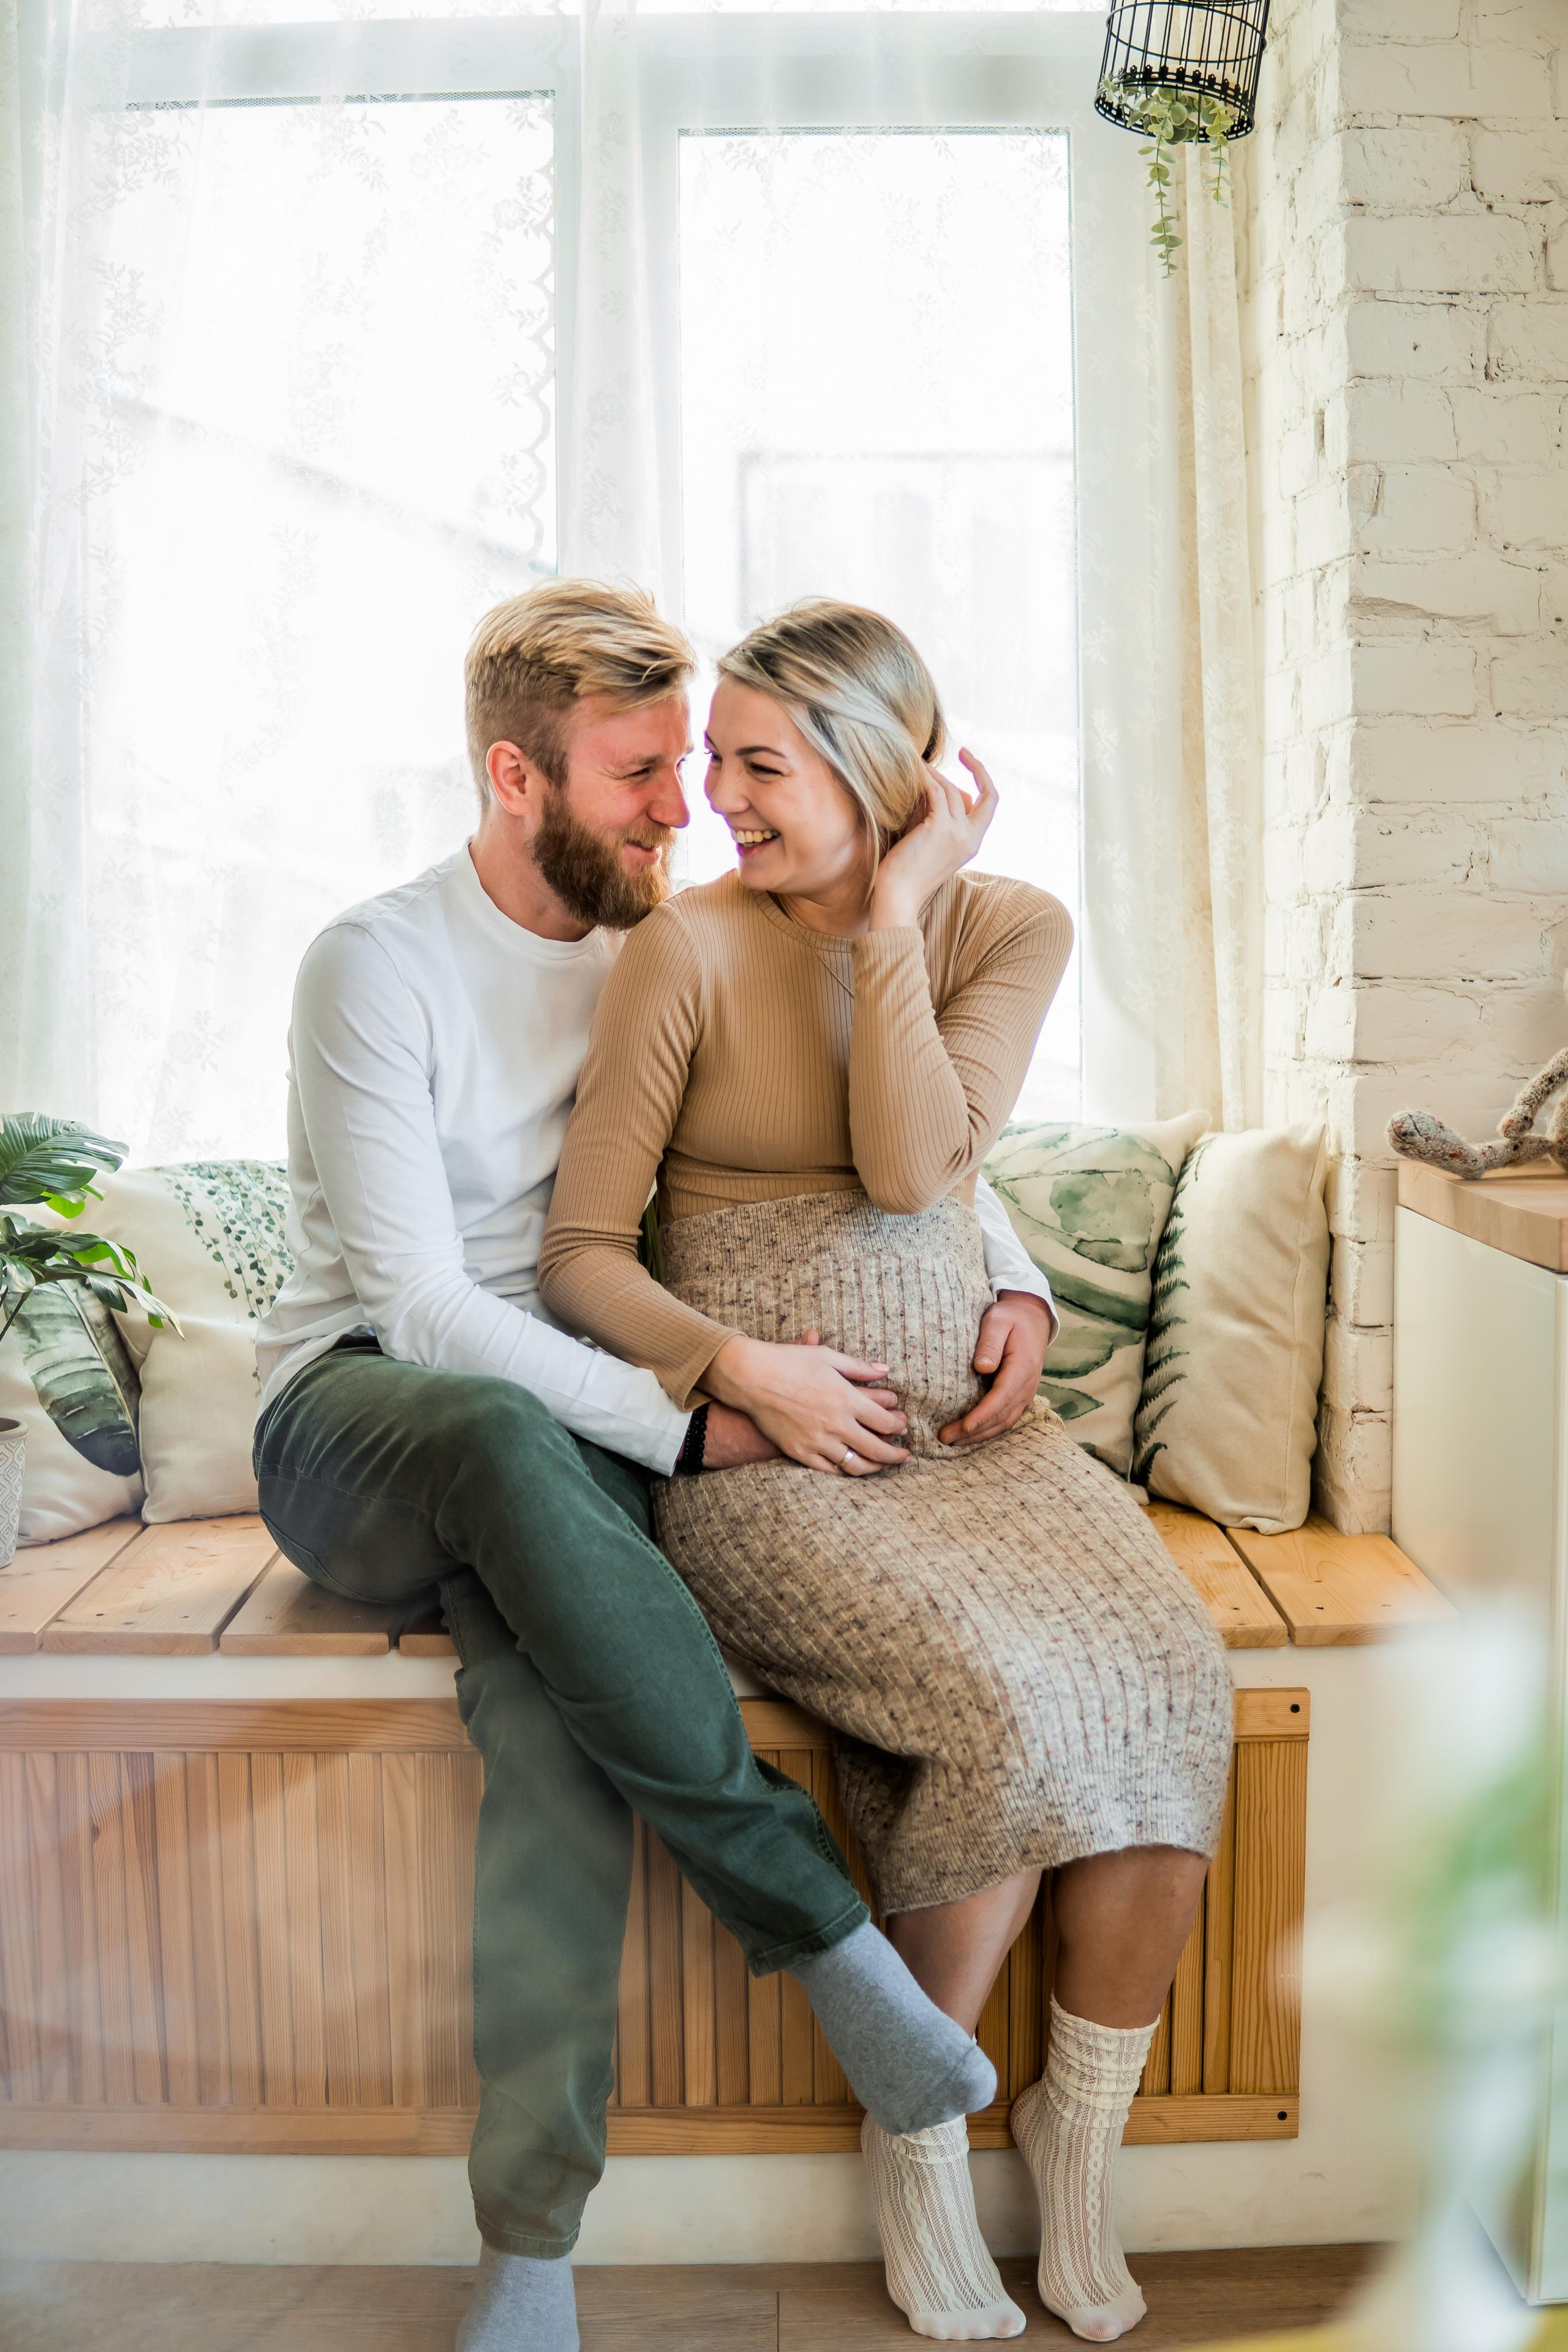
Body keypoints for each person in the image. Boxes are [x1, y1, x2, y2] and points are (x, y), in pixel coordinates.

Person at [252, 579, 1063, 2352]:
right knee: (478, 1416)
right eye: (638, 775)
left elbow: (866, 1112)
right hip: (369, 1418)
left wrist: (1011, 1267)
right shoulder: (376, 963)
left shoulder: (659, 942)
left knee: (557, 1743)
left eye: (686, 766)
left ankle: (529, 2252)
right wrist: (698, 1419)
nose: (682, 808)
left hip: (561, 1447)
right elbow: (421, 1306)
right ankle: (832, 1944)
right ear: (515, 777)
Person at [538, 600, 1235, 2346]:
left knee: (1171, 1674)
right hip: (774, 1447)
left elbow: (919, 1170)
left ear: (882, 777)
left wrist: (897, 921)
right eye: (711, 763)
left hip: (976, 1436)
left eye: (759, 767)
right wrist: (733, 1366)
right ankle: (920, 2134)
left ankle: (1080, 2144)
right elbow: (580, 1252)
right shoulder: (680, 952)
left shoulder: (1006, 924)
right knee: (995, 1707)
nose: (715, 801)